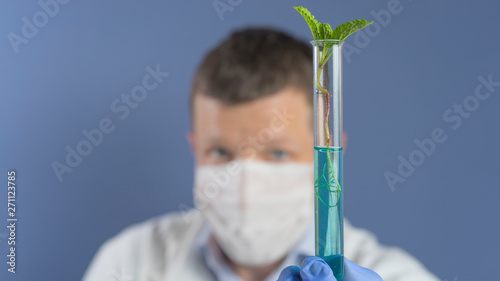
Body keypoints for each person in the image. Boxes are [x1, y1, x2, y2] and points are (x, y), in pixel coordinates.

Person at [82, 27, 439, 281]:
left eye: (278, 153)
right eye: (220, 151)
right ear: (195, 149)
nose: (246, 186)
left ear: (330, 154)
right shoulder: (131, 262)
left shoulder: (396, 276)